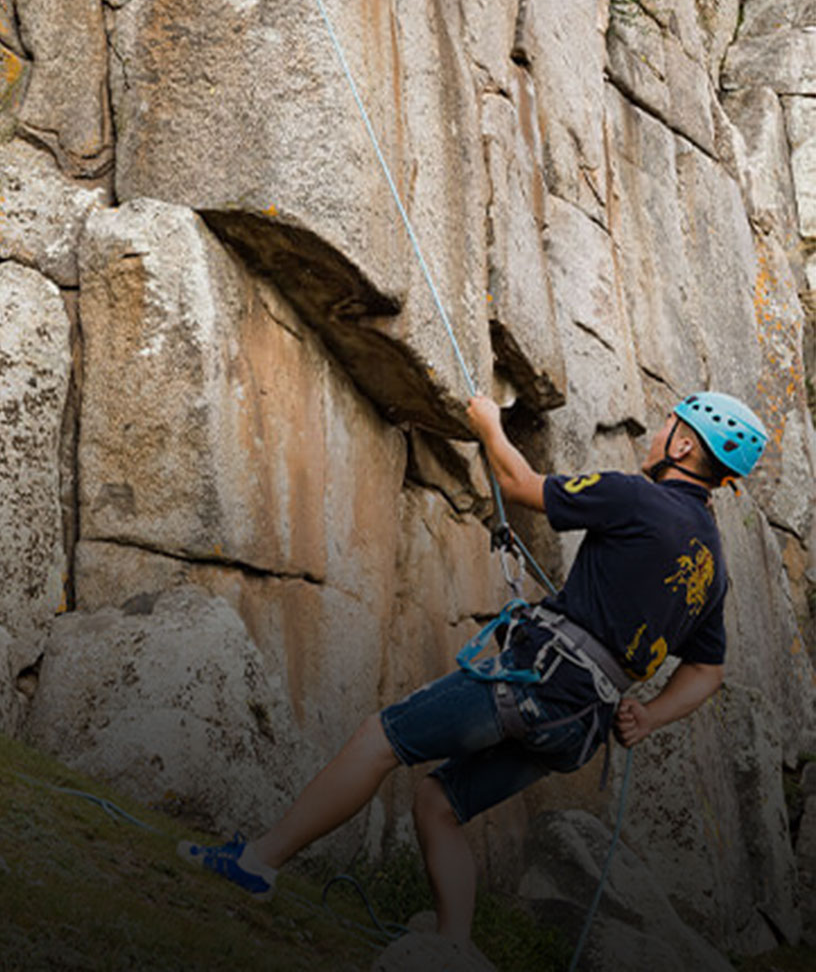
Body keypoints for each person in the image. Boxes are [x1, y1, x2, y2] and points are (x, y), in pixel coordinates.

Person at [180, 390, 767, 949]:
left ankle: (257, 863)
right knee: (439, 805)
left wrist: (489, 423)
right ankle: (453, 946)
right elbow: (706, 672)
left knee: (380, 739)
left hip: (537, 679)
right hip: (582, 722)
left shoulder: (638, 498)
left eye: (669, 425)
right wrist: (649, 717)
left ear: (686, 446)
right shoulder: (712, 567)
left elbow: (518, 484)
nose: (658, 431)